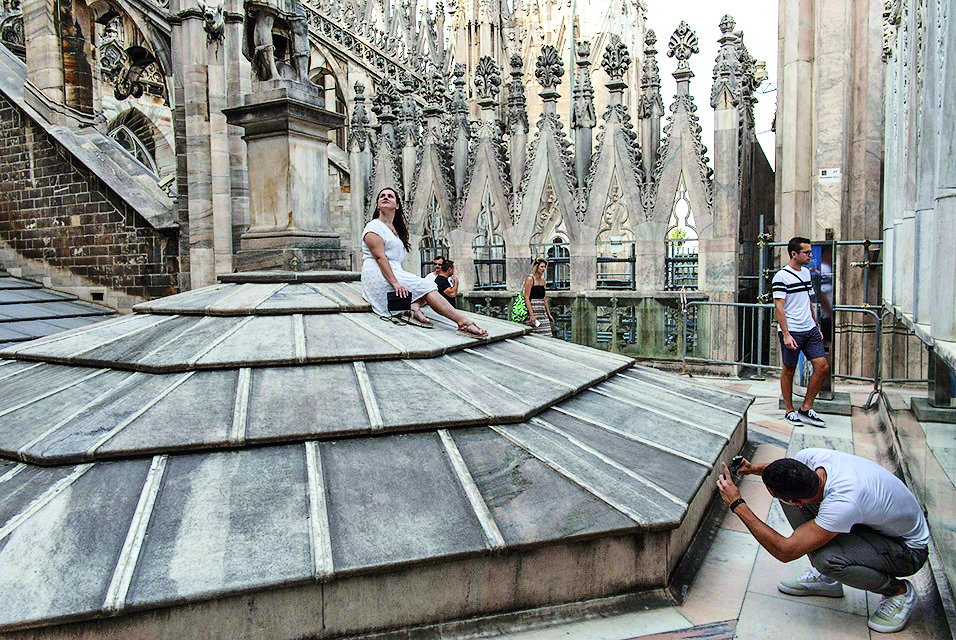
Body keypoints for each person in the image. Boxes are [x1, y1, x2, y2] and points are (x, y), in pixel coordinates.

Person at [717, 449, 929, 634]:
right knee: (795, 503)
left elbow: (786, 551)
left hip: (908, 550)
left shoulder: (843, 503)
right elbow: (788, 471)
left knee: (826, 559)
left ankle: (899, 592)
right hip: (875, 526)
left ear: (798, 502)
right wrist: (754, 469)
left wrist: (737, 504)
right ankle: (829, 581)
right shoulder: (809, 458)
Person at [361, 188, 486, 336]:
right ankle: (463, 322)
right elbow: (380, 258)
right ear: (377, 205)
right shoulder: (373, 227)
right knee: (426, 286)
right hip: (378, 273)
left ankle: (414, 307)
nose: (385, 197)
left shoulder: (396, 230)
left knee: (428, 285)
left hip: (393, 270)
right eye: (382, 196)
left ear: (397, 205)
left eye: (390, 196)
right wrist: (395, 283)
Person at [773, 236, 830, 427]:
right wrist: (786, 334)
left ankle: (806, 407)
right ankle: (789, 410)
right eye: (806, 253)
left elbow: (808, 300)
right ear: (794, 254)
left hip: (809, 328)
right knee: (789, 369)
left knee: (822, 366)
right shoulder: (781, 276)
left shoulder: (806, 273)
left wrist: (815, 324)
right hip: (792, 330)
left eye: (810, 252)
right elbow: (779, 307)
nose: (810, 256)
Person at [522, 257, 555, 336]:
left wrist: (549, 314)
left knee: (547, 334)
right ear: (536, 267)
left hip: (542, 310)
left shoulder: (543, 281)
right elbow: (526, 297)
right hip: (533, 308)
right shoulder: (530, 279)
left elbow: (544, 298)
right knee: (534, 334)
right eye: (541, 267)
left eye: (544, 267)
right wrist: (532, 315)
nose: (543, 269)